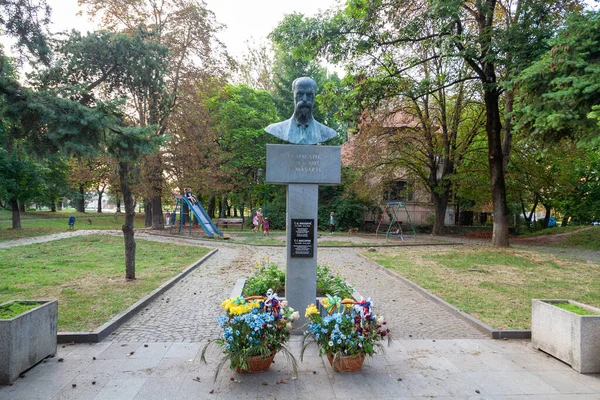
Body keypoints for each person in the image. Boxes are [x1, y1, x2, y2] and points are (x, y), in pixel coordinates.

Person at [264, 77, 338, 145]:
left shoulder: (327, 133)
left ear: (314, 97)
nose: (305, 99)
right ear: (293, 96)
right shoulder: (276, 129)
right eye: (300, 94)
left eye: (309, 95)